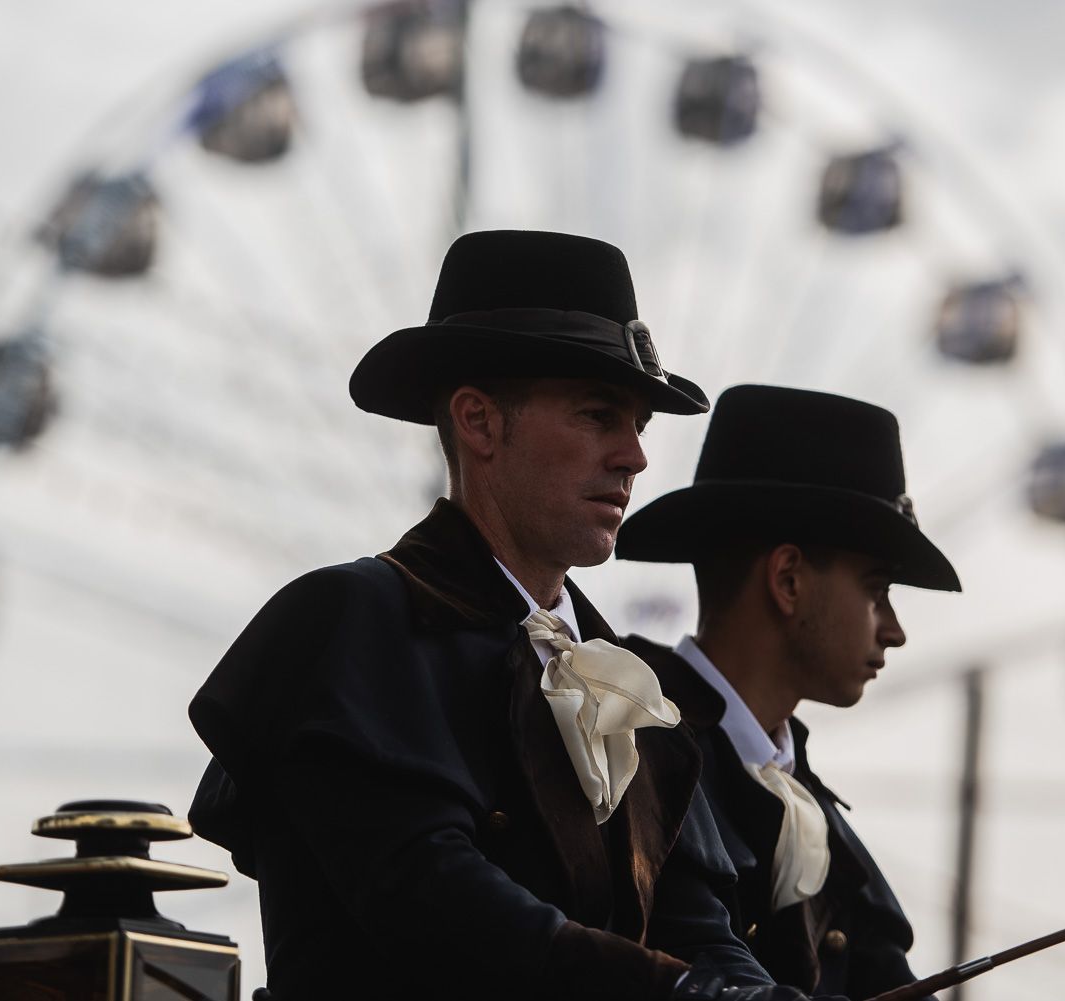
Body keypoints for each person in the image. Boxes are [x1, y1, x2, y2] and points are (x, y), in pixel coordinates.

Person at [185, 233, 803, 1001]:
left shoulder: (628, 685)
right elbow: (435, 899)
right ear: (478, 422)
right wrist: (677, 993)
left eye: (639, 424)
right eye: (597, 414)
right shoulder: (347, 623)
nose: (635, 455)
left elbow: (695, 924)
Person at [615, 384, 962, 1000]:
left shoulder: (809, 806)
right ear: (789, 580)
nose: (895, 629)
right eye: (877, 590)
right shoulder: (628, 745)